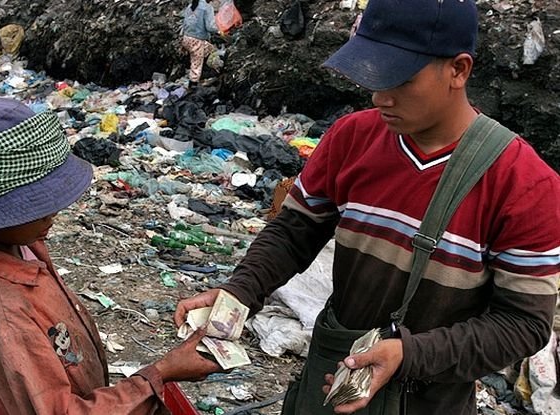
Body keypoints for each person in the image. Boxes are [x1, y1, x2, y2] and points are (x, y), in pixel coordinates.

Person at [175, 1, 560, 414]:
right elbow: (294, 231)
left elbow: (522, 324)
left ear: (458, 70)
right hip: (328, 382)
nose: (380, 96)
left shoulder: (525, 184)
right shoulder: (351, 138)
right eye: (373, 75)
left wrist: (408, 355)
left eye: (399, 79)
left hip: (430, 400)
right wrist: (239, 292)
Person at [0, 97, 223, 415]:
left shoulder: (18, 245)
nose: (53, 211)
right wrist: (161, 373)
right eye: (35, 204)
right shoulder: (4, 312)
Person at [181, 0, 221, 89]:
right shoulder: (207, 8)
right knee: (196, 63)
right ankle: (192, 86)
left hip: (186, 38)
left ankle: (205, 73)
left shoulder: (190, 6)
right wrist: (220, 29)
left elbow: (184, 23)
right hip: (196, 40)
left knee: (210, 49)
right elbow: (210, 27)